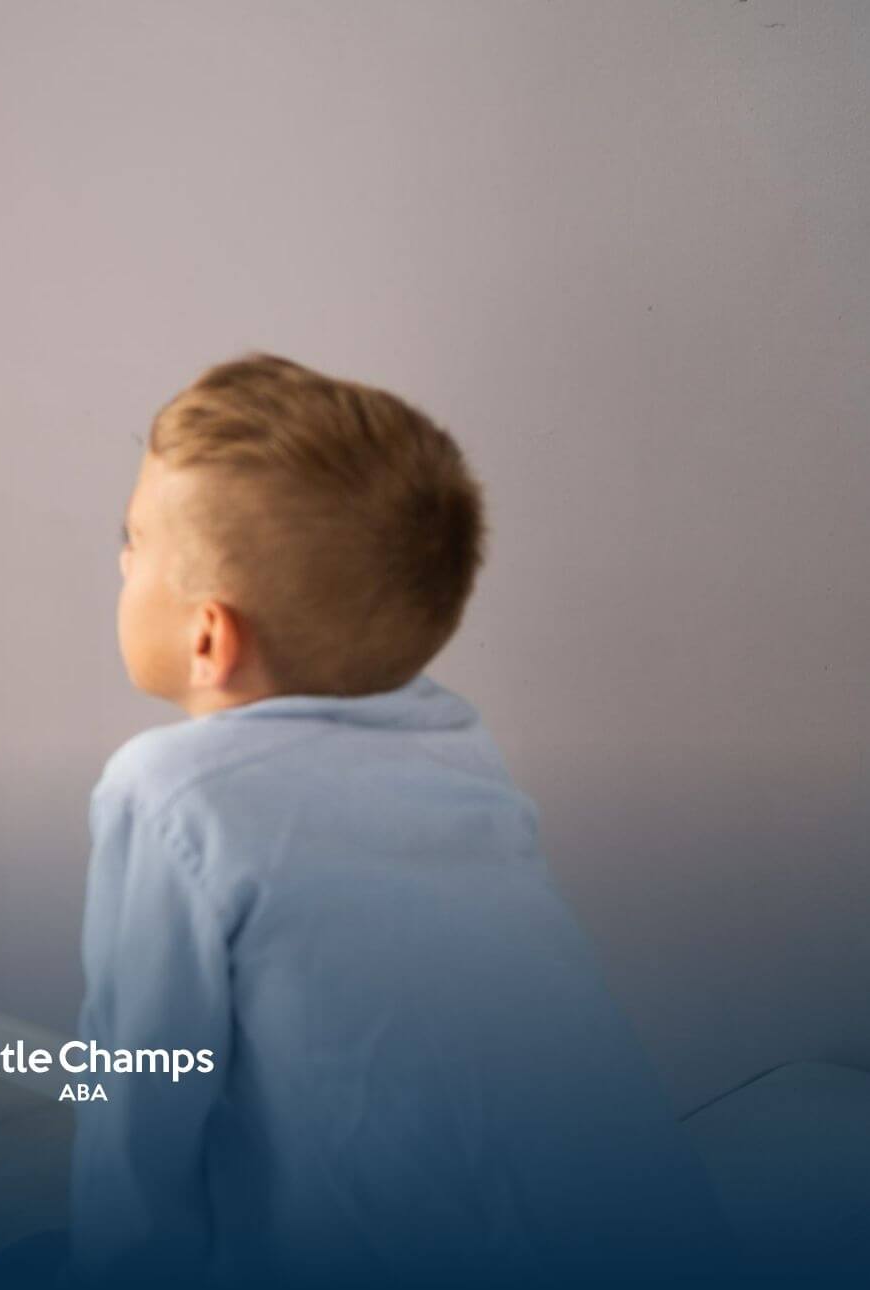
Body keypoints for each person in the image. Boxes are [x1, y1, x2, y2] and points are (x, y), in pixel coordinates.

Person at [67, 356, 731, 1286]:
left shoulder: (170, 791)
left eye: (132, 540)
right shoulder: (452, 738)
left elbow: (141, 1106)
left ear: (208, 637)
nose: (122, 560)